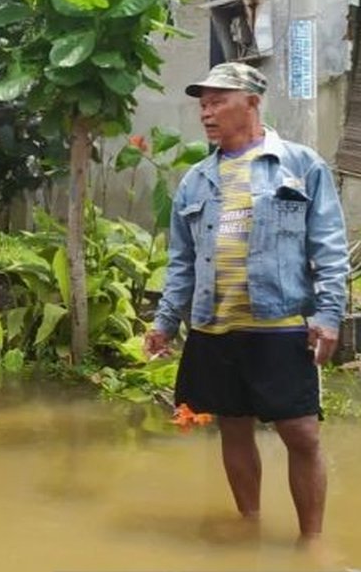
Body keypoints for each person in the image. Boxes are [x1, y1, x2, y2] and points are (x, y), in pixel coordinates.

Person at [144, 62, 349, 545]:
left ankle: (312, 542)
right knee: (232, 428)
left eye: (218, 102)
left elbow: (329, 247)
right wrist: (164, 322)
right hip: (214, 326)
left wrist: (328, 315)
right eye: (203, 104)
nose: (206, 113)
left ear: (252, 103)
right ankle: (249, 524)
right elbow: (181, 262)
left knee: (302, 433)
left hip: (280, 325)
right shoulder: (195, 180)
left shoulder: (300, 166)